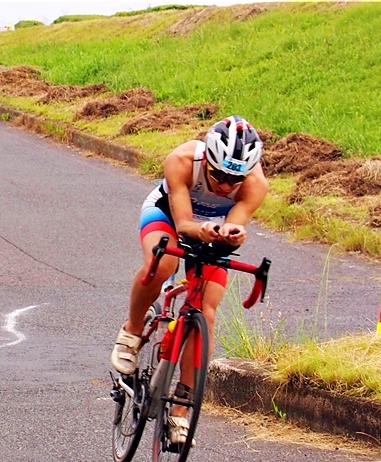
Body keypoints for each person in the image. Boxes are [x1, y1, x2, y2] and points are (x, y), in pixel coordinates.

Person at [110, 114, 268, 444]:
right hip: (168, 214)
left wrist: (234, 233)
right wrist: (203, 229)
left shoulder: (256, 185)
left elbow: (235, 222)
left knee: (206, 310)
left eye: (234, 179)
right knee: (163, 263)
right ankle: (133, 331)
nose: (225, 185)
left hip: (213, 229)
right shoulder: (182, 160)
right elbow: (183, 224)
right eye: (218, 175)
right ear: (206, 159)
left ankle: (182, 407)